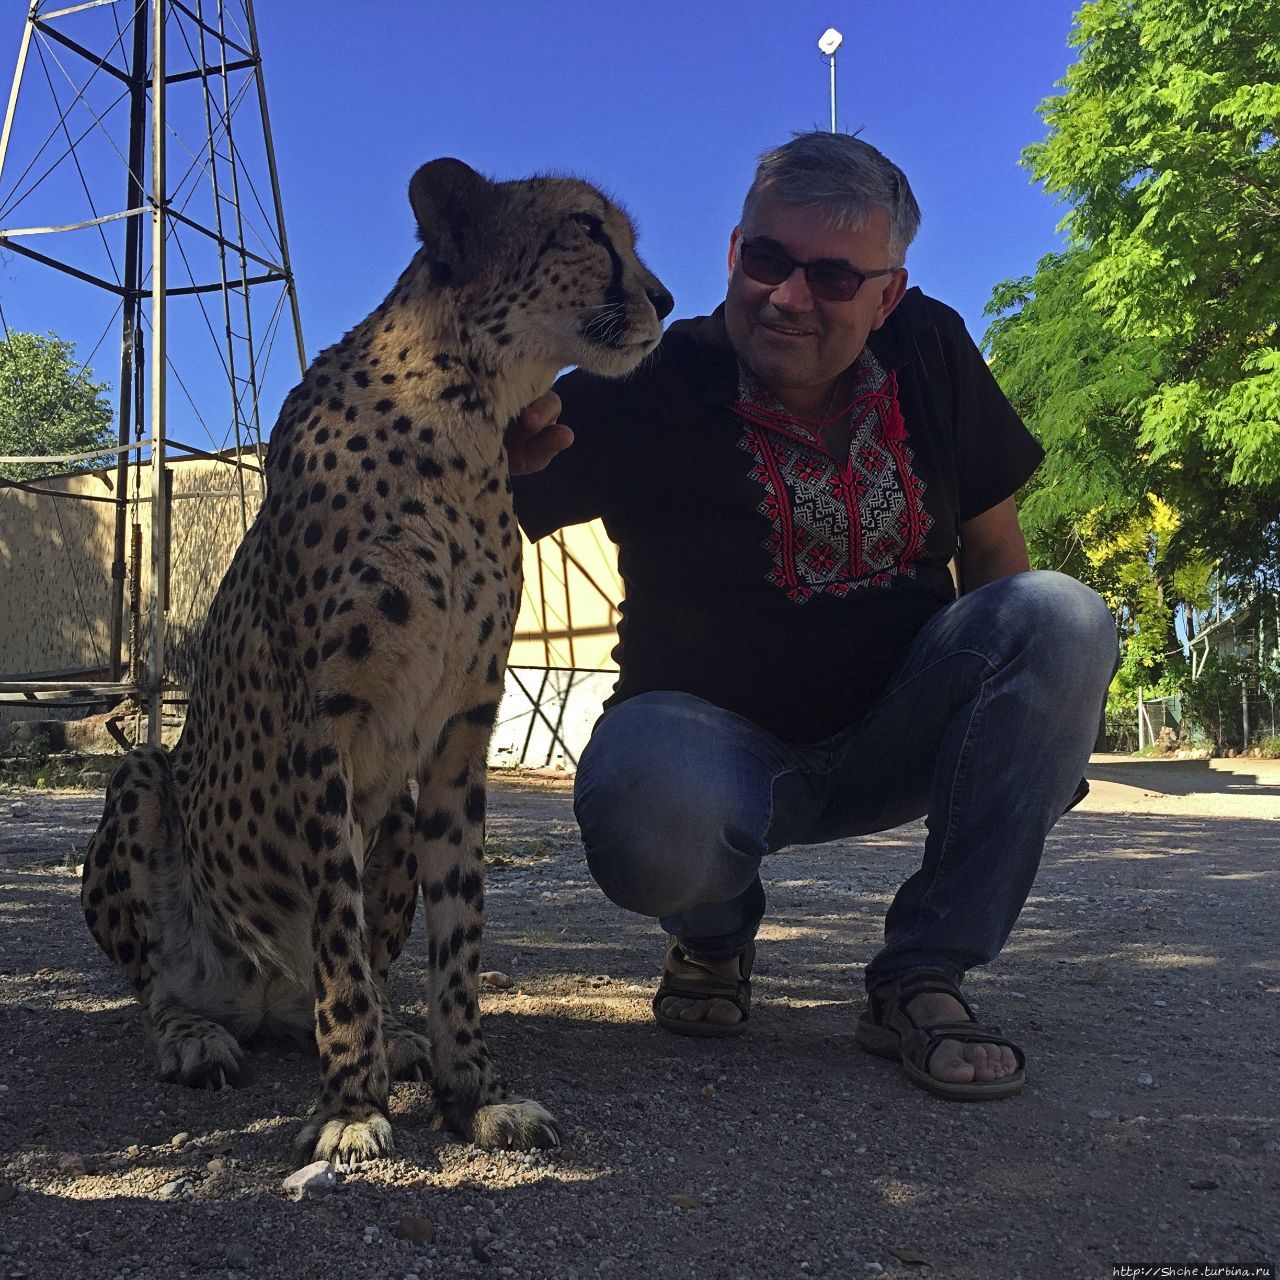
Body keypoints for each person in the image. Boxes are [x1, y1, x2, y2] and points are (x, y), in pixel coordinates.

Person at [507, 132, 1117, 1100]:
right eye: (766, 260)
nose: (787, 296)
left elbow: (996, 563)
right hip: (706, 754)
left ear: (888, 296)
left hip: (896, 734)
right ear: (731, 253)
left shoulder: (932, 351)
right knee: (645, 798)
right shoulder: (648, 381)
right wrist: (492, 438)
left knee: (1065, 616)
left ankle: (922, 972)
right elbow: (470, 489)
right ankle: (711, 937)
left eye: (833, 277)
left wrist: (1037, 726)